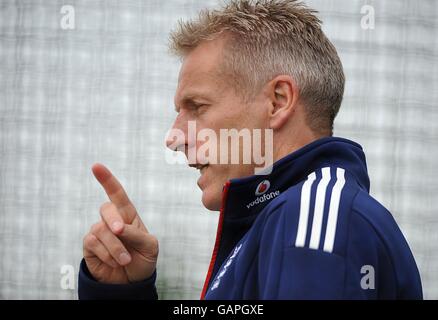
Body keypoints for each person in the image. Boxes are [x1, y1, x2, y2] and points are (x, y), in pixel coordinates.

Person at [78, 0, 423, 299]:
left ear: (278, 101)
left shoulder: (310, 215)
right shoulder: (284, 222)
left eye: (196, 107)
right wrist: (123, 292)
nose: (174, 136)